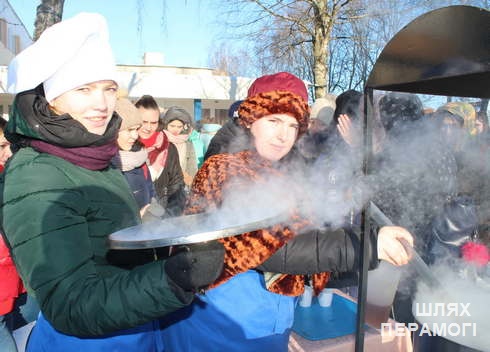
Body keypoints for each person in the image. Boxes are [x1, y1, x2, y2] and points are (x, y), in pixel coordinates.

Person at [0, 13, 224, 351]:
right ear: (51, 99)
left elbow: (110, 248)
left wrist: (174, 245)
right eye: (83, 89)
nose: (102, 104)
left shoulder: (93, 155)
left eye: (109, 89)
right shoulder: (37, 173)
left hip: (130, 328)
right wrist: (172, 279)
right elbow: (70, 303)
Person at [160, 72, 414, 351]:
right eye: (274, 121)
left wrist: (367, 261)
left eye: (293, 125)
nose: (283, 135)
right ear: (251, 118)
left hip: (269, 325)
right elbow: (270, 247)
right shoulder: (222, 167)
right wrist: (366, 245)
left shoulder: (287, 171)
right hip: (217, 326)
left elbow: (307, 251)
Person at [0, 117, 39, 352]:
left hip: (17, 278)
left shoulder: (10, 176)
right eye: (1, 147)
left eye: (8, 145)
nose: (8, 152)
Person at [135, 95, 186, 216]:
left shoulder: (168, 147)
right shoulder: (125, 146)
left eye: (153, 123)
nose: (148, 127)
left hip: (161, 213)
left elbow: (176, 183)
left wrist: (171, 215)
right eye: (144, 122)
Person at [162, 106, 204, 188]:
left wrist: (193, 185)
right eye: (172, 126)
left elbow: (192, 166)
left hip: (181, 187)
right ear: (166, 125)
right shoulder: (161, 140)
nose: (175, 130)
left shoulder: (188, 143)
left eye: (179, 127)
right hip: (163, 186)